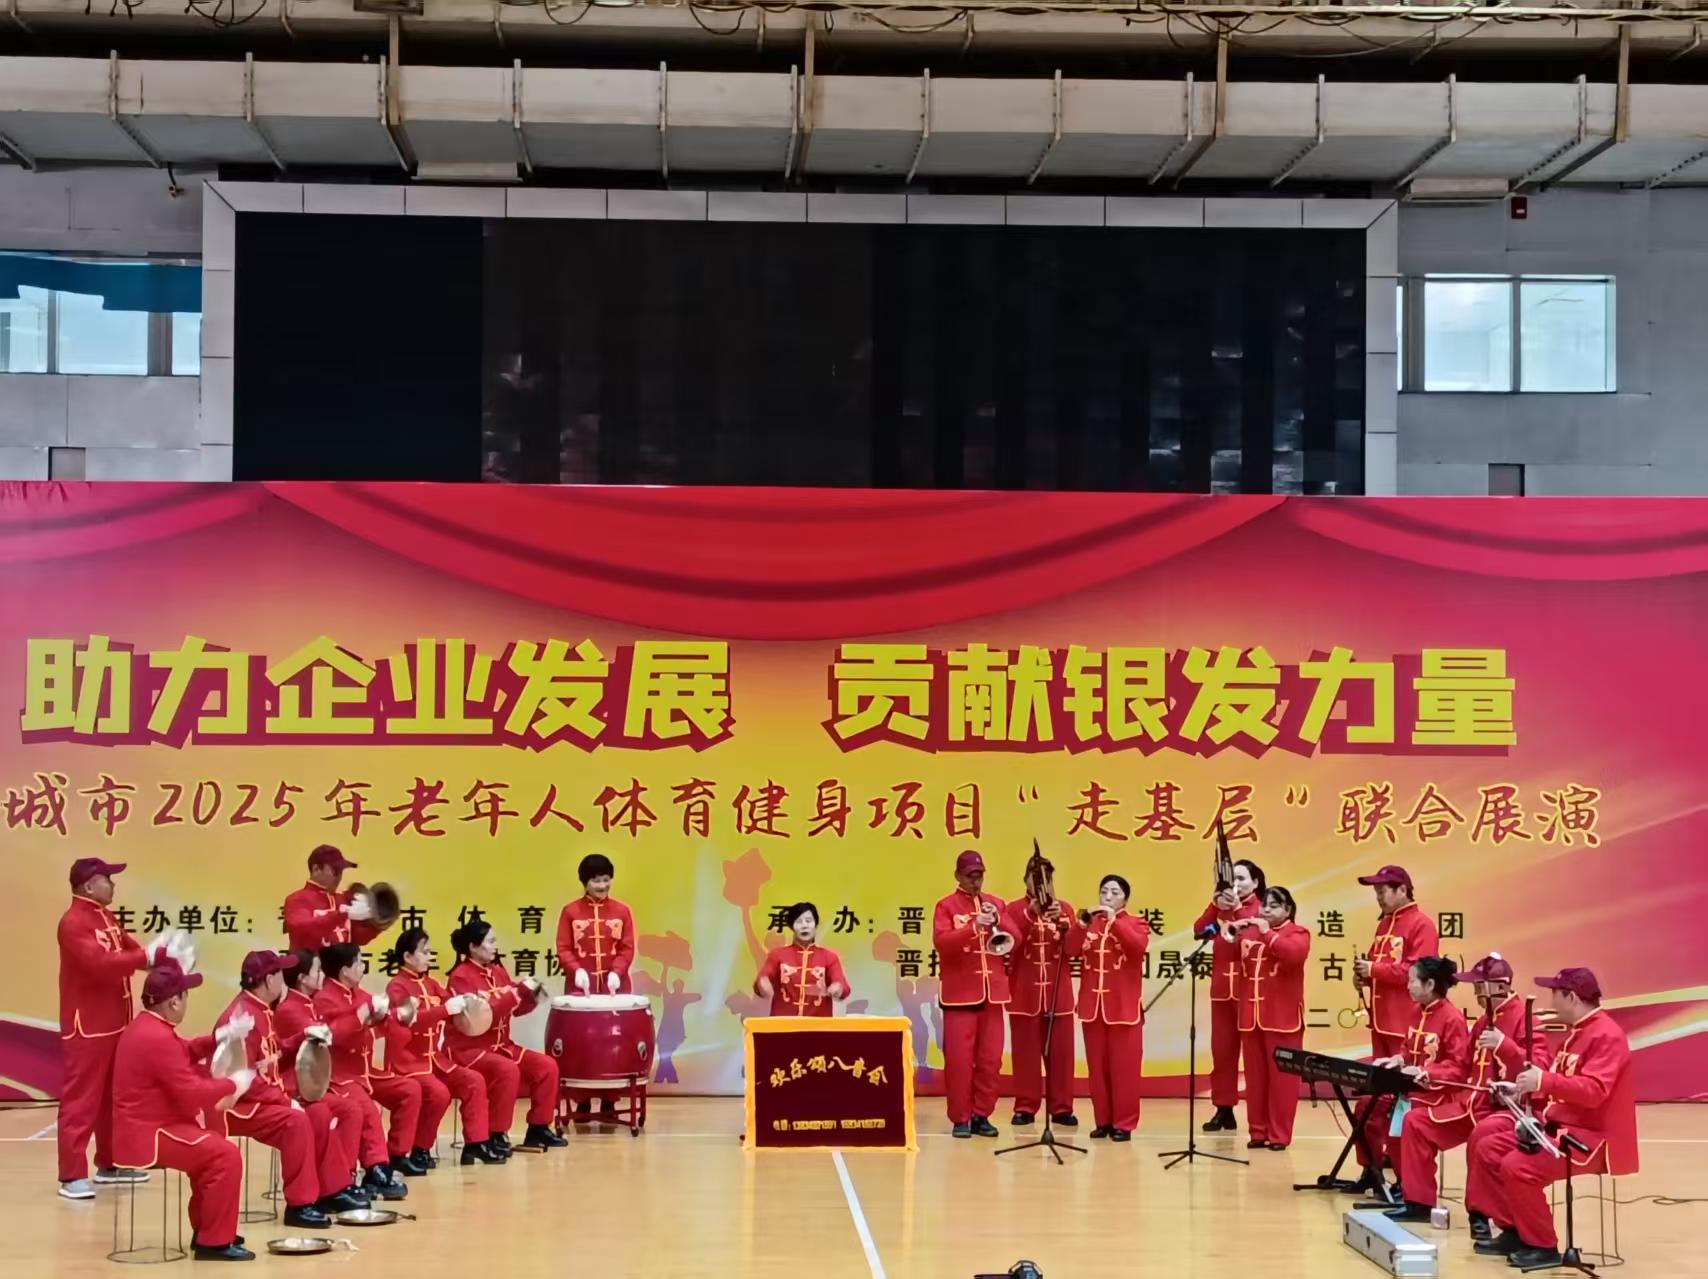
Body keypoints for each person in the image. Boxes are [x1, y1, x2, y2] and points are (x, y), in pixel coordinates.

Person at [1470, 968, 1637, 1271]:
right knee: (1489, 1148)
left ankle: (1542, 1245)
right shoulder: (1577, 1032)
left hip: (1591, 1137)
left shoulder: (1606, 1035)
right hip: (1559, 1127)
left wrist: (1543, 1080)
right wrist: (1520, 1088)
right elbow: (1557, 1084)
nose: (1551, 1002)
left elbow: (1594, 1092)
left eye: (1555, 995)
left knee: (1518, 1166)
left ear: (1571, 997)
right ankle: (1514, 1230)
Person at [56, 856, 186, 1200]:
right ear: (88, 885)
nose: (113, 884)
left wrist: (165, 958)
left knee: (112, 1098)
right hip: (88, 1027)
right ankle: (71, 1175)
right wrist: (147, 957)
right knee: (82, 1100)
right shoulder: (73, 923)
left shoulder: (105, 916)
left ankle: (110, 1162)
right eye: (107, 879)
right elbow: (100, 964)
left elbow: (133, 952)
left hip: (115, 1022)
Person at [112, 959, 256, 1262]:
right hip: (150, 1134)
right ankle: (213, 1242)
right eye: (185, 995)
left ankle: (208, 1229)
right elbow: (191, 1092)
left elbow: (183, 1051)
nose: (187, 1001)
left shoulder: (149, 1026)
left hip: (153, 1125)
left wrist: (220, 1036)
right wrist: (233, 1083)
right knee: (224, 1155)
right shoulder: (156, 1036)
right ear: (174, 1001)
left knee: (213, 1148)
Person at [1401, 953, 1545, 1238]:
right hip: (1471, 1103)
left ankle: (1479, 1213)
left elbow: (1539, 1069)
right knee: (1415, 1122)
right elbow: (1460, 1067)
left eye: (1481, 986)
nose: (1477, 992)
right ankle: (1418, 1202)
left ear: (1499, 986)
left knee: (1482, 1135)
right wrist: (1428, 1073)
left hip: (1501, 1110)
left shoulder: (1526, 1019)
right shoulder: (1482, 1022)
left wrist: (1504, 1045)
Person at [212, 952, 335, 1228]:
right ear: (268, 980)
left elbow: (272, 1053)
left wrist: (304, 1036)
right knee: (295, 1121)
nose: (284, 980)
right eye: (280, 974)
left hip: (262, 1096)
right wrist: (284, 1101)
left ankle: (326, 1192)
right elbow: (244, 1079)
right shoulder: (241, 1017)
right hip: (238, 1104)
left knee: (318, 1112)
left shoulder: (261, 1008)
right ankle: (299, 1205)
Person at [385, 927, 506, 1166]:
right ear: (407, 957)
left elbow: (452, 1009)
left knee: (473, 1081)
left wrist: (471, 1004)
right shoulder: (397, 987)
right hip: (409, 1061)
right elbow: (411, 1021)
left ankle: (475, 1144)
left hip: (434, 1059)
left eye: (430, 952)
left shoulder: (432, 983)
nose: (429, 957)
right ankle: (420, 1148)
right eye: (424, 952)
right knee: (438, 1093)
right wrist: (445, 1010)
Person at [445, 917, 565, 1151]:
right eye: (490, 941)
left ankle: (539, 1128)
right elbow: (480, 1016)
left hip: (502, 1046)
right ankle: (495, 1133)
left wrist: (531, 999)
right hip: (470, 1050)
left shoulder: (498, 972)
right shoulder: (461, 976)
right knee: (506, 1069)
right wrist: (515, 993)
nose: (495, 946)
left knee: (547, 1066)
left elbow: (515, 1010)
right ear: (473, 947)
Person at [1355, 956, 1470, 1195]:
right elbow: (1408, 1049)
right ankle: (1372, 1171)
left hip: (1436, 1093)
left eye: (1412, 981)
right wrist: (1398, 1060)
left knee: (1406, 1115)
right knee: (1367, 1105)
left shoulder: (1452, 1018)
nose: (1407, 986)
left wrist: (1424, 1071)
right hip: (1408, 1087)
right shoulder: (1416, 1012)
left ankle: (1407, 1184)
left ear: (1430, 984)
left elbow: (1459, 1068)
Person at [311, 942, 416, 1199]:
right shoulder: (324, 998)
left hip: (365, 1072)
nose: (362, 967)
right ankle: (373, 1169)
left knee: (409, 1090)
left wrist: (400, 1014)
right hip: (339, 1075)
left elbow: (379, 1024)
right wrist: (362, 1016)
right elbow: (335, 1035)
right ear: (345, 970)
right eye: (359, 963)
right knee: (365, 1109)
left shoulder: (359, 993)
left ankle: (396, 1154)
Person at [932, 850, 1012, 1139]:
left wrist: (998, 919)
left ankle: (982, 1114)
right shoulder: (946, 906)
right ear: (958, 876)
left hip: (992, 993)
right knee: (959, 1061)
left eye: (979, 876)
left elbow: (1014, 938)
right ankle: (961, 1117)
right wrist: (972, 927)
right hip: (960, 995)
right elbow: (942, 943)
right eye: (970, 876)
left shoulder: (996, 904)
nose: (975, 881)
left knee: (991, 1060)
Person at [554, 853, 638, 1121]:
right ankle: (581, 1100)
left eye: (606, 879)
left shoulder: (622, 911)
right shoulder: (570, 912)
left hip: (615, 987)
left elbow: (627, 947)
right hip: (582, 987)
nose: (602, 886)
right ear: (585, 882)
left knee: (614, 1042)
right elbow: (563, 947)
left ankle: (610, 1100)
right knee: (583, 1044)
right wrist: (576, 970)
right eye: (596, 881)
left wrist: (617, 972)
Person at [1073, 874, 1151, 1142]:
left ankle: (1124, 1123)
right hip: (1092, 1006)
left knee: (1124, 1070)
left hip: (1123, 1008)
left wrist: (1114, 921)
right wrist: (1080, 926)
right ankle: (1103, 1120)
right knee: (1098, 1068)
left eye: (1114, 892)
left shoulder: (1135, 923)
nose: (1107, 896)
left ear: (1125, 899)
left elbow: (1137, 948)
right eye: (1104, 891)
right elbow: (1070, 949)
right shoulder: (1090, 923)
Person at [1232, 885, 1309, 1150]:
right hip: (1251, 1016)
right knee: (1255, 1079)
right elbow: (1227, 956)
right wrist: (1233, 930)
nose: (1266, 910)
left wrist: (1267, 934)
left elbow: (1293, 956)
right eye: (1264, 905)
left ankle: (1279, 1135)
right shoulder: (1250, 931)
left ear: (1288, 910)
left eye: (1274, 906)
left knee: (1283, 1081)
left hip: (1282, 1018)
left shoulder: (1297, 933)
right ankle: (1258, 1131)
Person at [1005, 872, 1083, 1128]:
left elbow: (1073, 950)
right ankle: (1025, 1107)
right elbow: (1011, 945)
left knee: (1062, 1056)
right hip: (1024, 993)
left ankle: (1062, 1108)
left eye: (1045, 879)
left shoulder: (1065, 909)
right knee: (1025, 1056)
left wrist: (1063, 923)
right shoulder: (1013, 910)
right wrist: (1029, 915)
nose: (1040, 884)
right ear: (1025, 880)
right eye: (1034, 879)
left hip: (1057, 994)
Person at [1194, 858, 1265, 1133]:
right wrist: (1215, 906)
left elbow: (1253, 939)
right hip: (1223, 991)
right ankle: (1224, 1108)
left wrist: (1236, 910)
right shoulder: (1220, 909)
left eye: (1242, 879)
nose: (1236, 885)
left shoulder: (1261, 909)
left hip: (1250, 993)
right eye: (1232, 879)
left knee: (1253, 1057)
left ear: (1255, 883)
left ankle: (1259, 1119)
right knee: (1222, 1054)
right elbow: (1199, 930)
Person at [1354, 865, 1440, 1058]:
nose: (1378, 898)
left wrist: (1372, 970)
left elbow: (1417, 973)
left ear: (1402, 889)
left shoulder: (1422, 924)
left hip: (1406, 1022)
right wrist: (1363, 977)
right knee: (1380, 1074)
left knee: (1403, 1074)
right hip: (1379, 1021)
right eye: (1376, 893)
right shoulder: (1384, 924)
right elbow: (1374, 962)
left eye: (1382, 892)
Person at [283, 845, 386, 953]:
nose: (339, 877)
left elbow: (358, 938)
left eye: (341, 872)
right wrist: (343, 914)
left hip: (345, 963)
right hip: (310, 963)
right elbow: (303, 928)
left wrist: (378, 921)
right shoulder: (297, 899)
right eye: (336, 871)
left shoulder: (342, 899)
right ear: (316, 869)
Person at [754, 903, 850, 1016]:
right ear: (792, 927)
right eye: (799, 922)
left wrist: (837, 987)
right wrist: (763, 983)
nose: (804, 926)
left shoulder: (829, 957)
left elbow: (843, 986)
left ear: (815, 925)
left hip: (818, 1024)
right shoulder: (777, 955)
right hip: (783, 1024)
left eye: (808, 921)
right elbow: (763, 978)